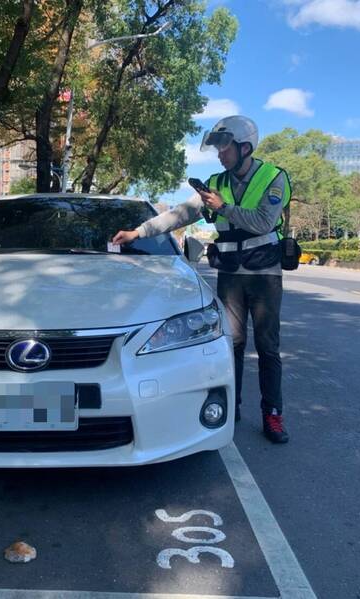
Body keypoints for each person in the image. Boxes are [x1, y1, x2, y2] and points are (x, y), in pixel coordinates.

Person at [111, 115, 290, 444]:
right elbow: (177, 215)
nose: (220, 154)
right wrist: (138, 232)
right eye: (218, 147)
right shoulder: (215, 183)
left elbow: (264, 221)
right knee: (233, 344)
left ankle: (273, 414)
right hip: (231, 274)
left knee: (267, 346)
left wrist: (223, 208)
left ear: (244, 146)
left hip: (264, 274)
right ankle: (232, 409)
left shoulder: (273, 178)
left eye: (225, 147)